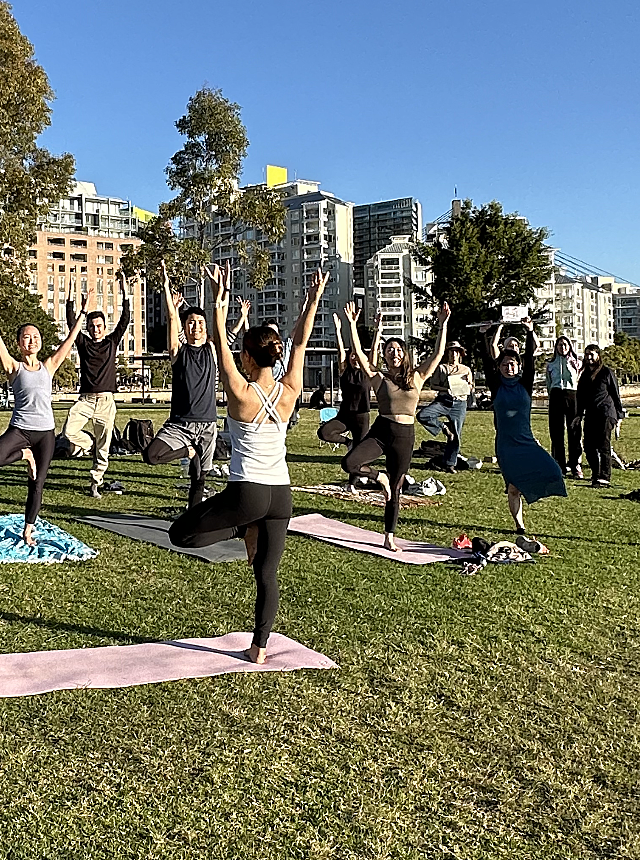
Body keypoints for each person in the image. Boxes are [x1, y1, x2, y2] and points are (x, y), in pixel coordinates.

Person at [168, 265, 327, 662]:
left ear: (247, 357)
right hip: (282, 496)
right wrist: (311, 301)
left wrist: (217, 304)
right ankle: (259, 648)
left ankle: (241, 529)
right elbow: (301, 342)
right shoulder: (292, 390)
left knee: (181, 535)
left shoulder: (240, 392)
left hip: (248, 494)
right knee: (266, 575)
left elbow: (219, 344)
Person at [333, 303, 453, 547]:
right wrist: (352, 326)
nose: (393, 353)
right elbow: (359, 353)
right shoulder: (379, 378)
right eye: (389, 350)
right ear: (385, 355)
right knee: (350, 463)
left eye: (398, 349)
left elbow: (438, 355)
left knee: (396, 487)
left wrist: (443, 325)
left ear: (404, 354)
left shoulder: (417, 377)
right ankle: (380, 478)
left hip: (404, 436)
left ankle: (389, 536)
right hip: (381, 431)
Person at [0, 286, 85, 545]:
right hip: (20, 430)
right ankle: (24, 455)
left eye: (36, 337)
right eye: (27, 337)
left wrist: (81, 314)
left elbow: (69, 341)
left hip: (45, 434)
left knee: (37, 483)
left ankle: (28, 528)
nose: (32, 340)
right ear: (20, 343)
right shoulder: (14, 367)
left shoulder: (48, 366)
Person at [475, 319, 567, 537]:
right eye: (505, 365)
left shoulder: (525, 383)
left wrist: (529, 331)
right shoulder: (496, 385)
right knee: (513, 488)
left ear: (518, 367)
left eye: (513, 365)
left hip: (527, 441)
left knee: (553, 470)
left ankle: (534, 490)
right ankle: (519, 525)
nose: (509, 367)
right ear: (500, 367)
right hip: (506, 446)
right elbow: (487, 360)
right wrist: (482, 335)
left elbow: (530, 359)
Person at [141, 266, 221, 507]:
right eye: (190, 323)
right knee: (151, 456)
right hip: (180, 424)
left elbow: (220, 318)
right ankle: (188, 452)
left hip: (207, 424)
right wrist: (166, 288)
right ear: (185, 328)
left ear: (205, 327)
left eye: (199, 322)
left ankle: (192, 518)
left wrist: (217, 292)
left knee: (199, 478)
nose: (195, 326)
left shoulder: (213, 351)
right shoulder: (179, 352)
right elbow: (172, 322)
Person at [58, 273, 131, 497]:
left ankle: (95, 481)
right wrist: (71, 296)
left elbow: (125, 319)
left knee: (105, 445)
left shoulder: (111, 342)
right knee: (68, 432)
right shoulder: (83, 343)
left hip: (106, 402)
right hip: (85, 401)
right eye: (91, 326)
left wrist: (124, 291)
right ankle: (87, 443)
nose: (95, 329)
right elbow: (71, 322)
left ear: (104, 327)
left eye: (98, 326)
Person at [317, 305, 375, 458]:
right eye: (352, 355)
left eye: (357, 355)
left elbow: (374, 352)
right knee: (324, 432)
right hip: (345, 414)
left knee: (358, 451)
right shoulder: (345, 370)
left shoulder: (367, 372)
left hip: (362, 416)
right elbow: (340, 350)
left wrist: (378, 331)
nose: (354, 357)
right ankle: (347, 443)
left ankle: (353, 481)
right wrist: (338, 329)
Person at [415, 336, 473, 472]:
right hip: (444, 401)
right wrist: (446, 389)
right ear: (447, 353)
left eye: (456, 352)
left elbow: (471, 387)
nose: (454, 354)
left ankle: (450, 463)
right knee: (423, 415)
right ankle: (443, 427)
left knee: (456, 436)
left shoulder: (466, 369)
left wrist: (468, 385)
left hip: (460, 403)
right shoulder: (441, 368)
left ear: (460, 354)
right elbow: (433, 385)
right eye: (451, 351)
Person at [576, 344, 624, 487]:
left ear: (598, 355)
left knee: (604, 445)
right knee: (588, 446)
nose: (589, 357)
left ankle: (604, 476)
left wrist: (619, 415)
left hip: (606, 413)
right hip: (591, 414)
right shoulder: (584, 375)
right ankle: (595, 473)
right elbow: (580, 396)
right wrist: (578, 415)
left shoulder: (606, 372)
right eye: (587, 355)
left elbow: (615, 394)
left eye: (592, 354)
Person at [544, 330, 583, 478]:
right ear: (556, 347)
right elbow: (548, 383)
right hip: (556, 395)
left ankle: (575, 464)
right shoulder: (550, 364)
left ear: (570, 346)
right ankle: (559, 465)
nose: (562, 347)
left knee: (574, 431)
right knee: (556, 432)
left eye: (565, 344)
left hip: (572, 395)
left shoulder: (577, 362)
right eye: (560, 344)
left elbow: (580, 379)